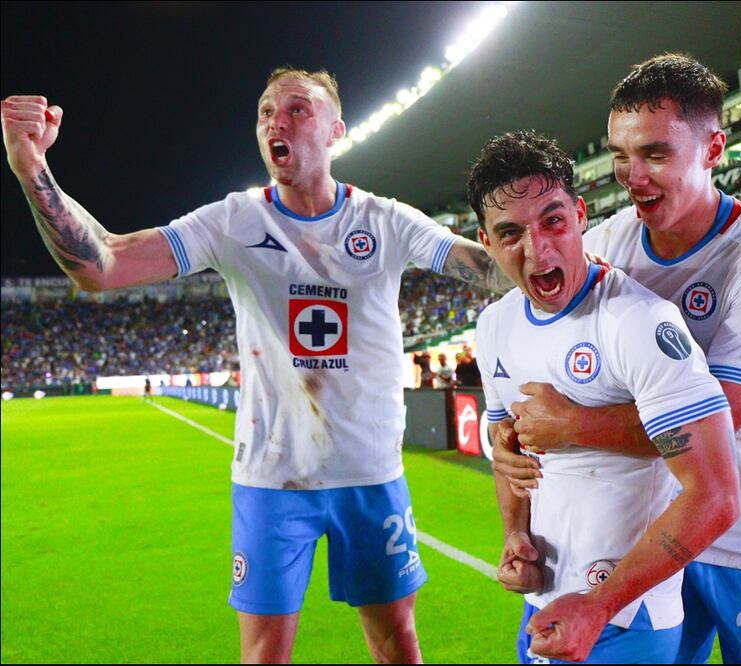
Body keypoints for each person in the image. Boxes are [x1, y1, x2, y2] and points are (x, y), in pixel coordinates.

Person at [1, 67, 511, 664]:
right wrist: (30, 166)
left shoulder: (385, 220)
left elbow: (487, 269)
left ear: (336, 130)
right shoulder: (235, 220)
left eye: (297, 109)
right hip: (273, 482)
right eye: (267, 112)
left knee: (398, 643)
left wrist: (577, 257)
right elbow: (102, 265)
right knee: (264, 656)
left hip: (371, 475)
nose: (277, 121)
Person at [492, 54, 741, 664]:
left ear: (713, 148)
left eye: (655, 154)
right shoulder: (606, 242)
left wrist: (572, 427)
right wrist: (510, 440)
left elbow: (722, 417)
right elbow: (540, 355)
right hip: (646, 536)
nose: (632, 175)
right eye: (620, 156)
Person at [469, 130, 740, 663]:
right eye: (510, 234)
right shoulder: (493, 326)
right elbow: (510, 453)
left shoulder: (639, 321)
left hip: (625, 614)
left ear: (580, 214)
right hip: (544, 604)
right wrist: (515, 535)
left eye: (553, 220)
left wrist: (596, 606)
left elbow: (716, 495)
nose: (538, 249)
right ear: (487, 243)